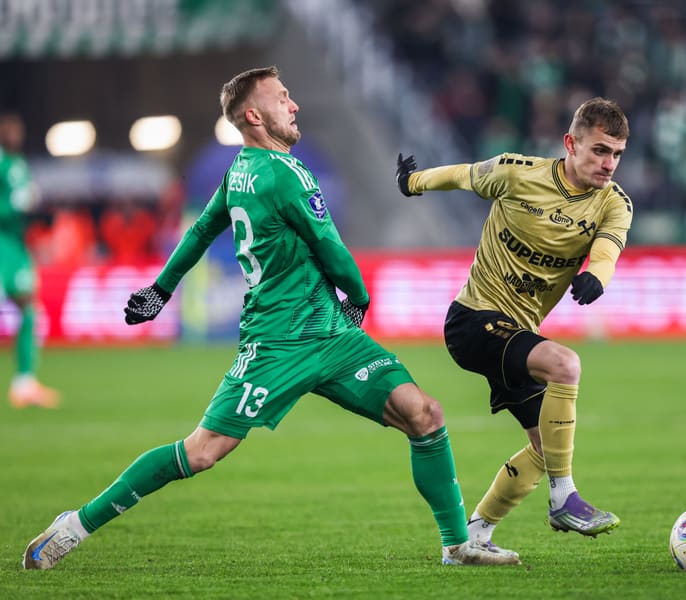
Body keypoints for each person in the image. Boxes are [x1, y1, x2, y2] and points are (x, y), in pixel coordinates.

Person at [22, 66, 520, 570]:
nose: (294, 105)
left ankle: (458, 545)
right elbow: (331, 247)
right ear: (255, 115)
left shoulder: (240, 171)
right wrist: (360, 295)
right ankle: (75, 525)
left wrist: (161, 289)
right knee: (201, 452)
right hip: (278, 341)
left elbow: (199, 232)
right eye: (283, 98)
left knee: (423, 413)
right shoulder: (285, 173)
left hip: (329, 333)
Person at [395, 97, 633, 556]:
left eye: (617, 153)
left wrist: (597, 276)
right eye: (600, 150)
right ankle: (565, 497)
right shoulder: (517, 172)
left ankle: (471, 539)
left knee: (546, 446)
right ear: (570, 143)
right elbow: (464, 175)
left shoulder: (614, 204)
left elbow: (607, 251)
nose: (609, 164)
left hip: (514, 335)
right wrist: (412, 182)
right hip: (473, 321)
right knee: (565, 363)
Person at [0, 111, 60, 409]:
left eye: (17, 129)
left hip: (16, 245)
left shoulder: (19, 164)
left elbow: (23, 203)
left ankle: (24, 382)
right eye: (8, 129)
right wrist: (15, 208)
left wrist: (37, 214)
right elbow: (11, 205)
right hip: (3, 243)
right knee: (27, 305)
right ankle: (23, 382)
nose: (14, 134)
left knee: (29, 308)